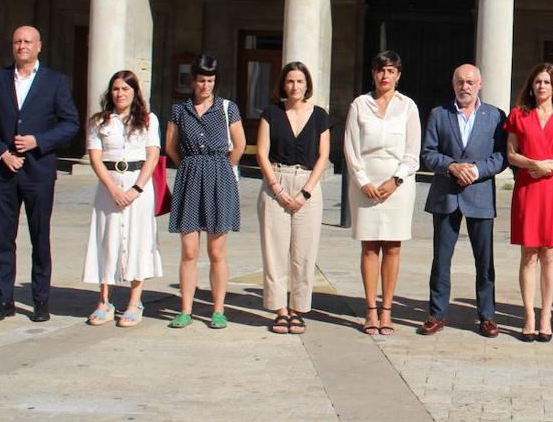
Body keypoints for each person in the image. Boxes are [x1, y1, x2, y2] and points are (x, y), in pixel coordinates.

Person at [0, 25, 79, 322]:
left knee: (39, 238)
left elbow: (70, 123)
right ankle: (4, 300)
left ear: (39, 46)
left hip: (38, 172)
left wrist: (39, 141)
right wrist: (2, 152)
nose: (22, 46)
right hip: (4, 172)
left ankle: (40, 301)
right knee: (3, 239)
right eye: (17, 41)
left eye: (27, 41)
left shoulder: (55, 81)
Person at [418, 64, 507, 337]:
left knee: (484, 260)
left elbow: (502, 156)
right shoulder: (438, 114)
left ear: (480, 83)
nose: (464, 87)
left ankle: (487, 316)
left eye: (470, 82)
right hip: (446, 194)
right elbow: (429, 153)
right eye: (460, 82)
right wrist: (452, 166)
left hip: (480, 195)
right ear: (453, 84)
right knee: (441, 258)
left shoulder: (494, 116)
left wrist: (477, 170)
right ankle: (437, 313)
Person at [165, 53, 245, 330]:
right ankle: (185, 309)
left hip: (219, 174)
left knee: (216, 250)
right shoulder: (179, 110)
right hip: (189, 175)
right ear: (192, 81)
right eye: (201, 80)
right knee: (189, 250)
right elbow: (171, 147)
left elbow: (239, 144)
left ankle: (218, 309)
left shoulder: (227, 108)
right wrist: (189, 166)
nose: (205, 86)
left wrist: (222, 168)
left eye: (210, 81)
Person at [505, 63, 553, 342]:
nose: (541, 87)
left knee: (549, 253)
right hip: (528, 187)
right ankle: (528, 315)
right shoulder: (519, 114)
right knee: (528, 254)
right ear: (531, 85)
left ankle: (546, 315)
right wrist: (533, 164)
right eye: (537, 81)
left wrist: (551, 167)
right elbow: (512, 154)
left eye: (546, 82)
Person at [344, 51, 420, 336]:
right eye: (380, 71)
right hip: (365, 182)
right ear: (373, 74)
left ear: (398, 75)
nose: (385, 76)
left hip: (397, 185)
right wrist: (362, 181)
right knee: (369, 247)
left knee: (392, 246)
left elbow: (413, 152)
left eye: (390, 71)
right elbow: (351, 148)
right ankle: (370, 310)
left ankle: (387, 309)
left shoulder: (408, 107)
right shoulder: (359, 105)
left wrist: (396, 180)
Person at [81, 71, 164, 327]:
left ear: (134, 92)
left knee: (138, 239)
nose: (120, 93)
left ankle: (134, 301)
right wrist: (113, 189)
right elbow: (95, 157)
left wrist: (135, 189)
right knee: (106, 238)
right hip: (109, 185)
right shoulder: (99, 122)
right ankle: (104, 300)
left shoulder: (149, 120)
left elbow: (152, 155)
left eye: (125, 89)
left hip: (138, 185)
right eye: (116, 89)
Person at [256, 61, 331, 335]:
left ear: (307, 85)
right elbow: (262, 153)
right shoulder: (271, 113)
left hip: (307, 183)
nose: (295, 87)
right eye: (290, 82)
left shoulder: (320, 115)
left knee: (304, 253)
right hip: (275, 181)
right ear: (282, 85)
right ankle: (279, 309)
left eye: (300, 82)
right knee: (274, 252)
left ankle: (298, 309)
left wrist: (306, 192)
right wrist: (276, 188)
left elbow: (324, 155)